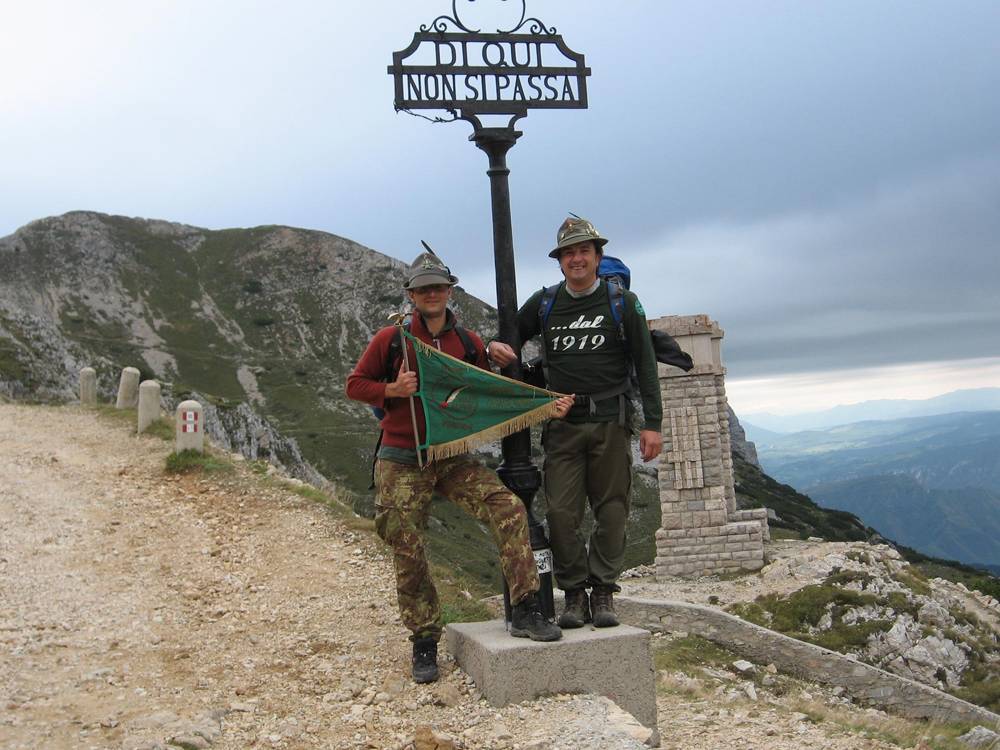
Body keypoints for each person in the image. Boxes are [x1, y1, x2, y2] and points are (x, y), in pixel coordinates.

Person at [346, 248, 571, 684]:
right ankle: (424, 639)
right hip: (401, 457)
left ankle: (525, 609)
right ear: (412, 295)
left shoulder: (466, 342)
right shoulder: (390, 339)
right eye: (423, 288)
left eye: (438, 287)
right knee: (407, 546)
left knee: (507, 507)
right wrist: (393, 389)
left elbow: (486, 392)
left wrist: (541, 402)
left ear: (449, 291)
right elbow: (355, 385)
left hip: (450, 457)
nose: (431, 294)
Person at [488, 216, 663, 629]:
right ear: (560, 262)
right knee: (563, 513)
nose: (576, 259)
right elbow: (509, 339)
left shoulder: (623, 302)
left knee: (613, 510)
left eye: (584, 251)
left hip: (610, 420)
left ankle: (603, 591)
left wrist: (652, 423)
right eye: (568, 253)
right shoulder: (546, 302)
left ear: (597, 257)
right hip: (562, 427)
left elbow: (646, 363)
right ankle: (574, 594)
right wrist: (498, 349)